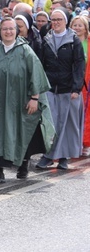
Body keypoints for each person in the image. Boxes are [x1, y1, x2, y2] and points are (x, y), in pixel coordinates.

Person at [0, 17, 55, 182]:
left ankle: (24, 164)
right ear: (0, 31)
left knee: (20, 132)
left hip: (21, 101)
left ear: (17, 31)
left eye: (12, 29)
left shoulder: (26, 51)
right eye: (5, 29)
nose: (8, 32)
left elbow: (36, 74)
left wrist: (34, 98)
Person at [36, 9, 86, 170]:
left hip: (68, 89)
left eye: (59, 19)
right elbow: (41, 64)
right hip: (50, 88)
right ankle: (49, 155)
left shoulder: (74, 41)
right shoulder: (46, 39)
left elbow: (79, 65)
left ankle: (63, 157)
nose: (56, 22)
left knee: (66, 125)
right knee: (51, 124)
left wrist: (76, 88)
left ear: (65, 21)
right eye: (53, 19)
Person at [69, 16, 90, 156]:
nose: (77, 28)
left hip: (87, 84)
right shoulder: (68, 42)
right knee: (72, 115)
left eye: (79, 25)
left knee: (86, 114)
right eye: (74, 25)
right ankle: (73, 144)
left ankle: (86, 143)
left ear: (85, 28)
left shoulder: (88, 43)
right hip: (71, 83)